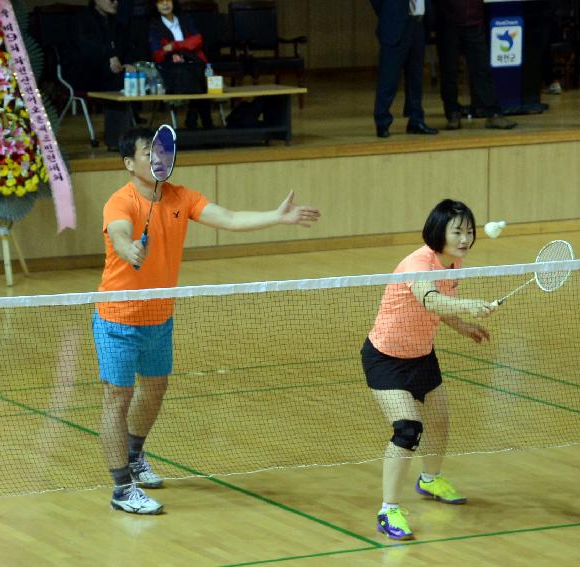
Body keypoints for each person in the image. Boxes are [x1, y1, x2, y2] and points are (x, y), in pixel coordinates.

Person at [94, 127, 321, 514]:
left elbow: (229, 218)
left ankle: (134, 455)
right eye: (147, 151)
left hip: (159, 316)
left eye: (160, 150)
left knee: (155, 390)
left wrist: (276, 217)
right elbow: (119, 233)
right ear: (129, 164)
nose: (156, 156)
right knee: (119, 397)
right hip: (118, 317)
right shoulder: (121, 202)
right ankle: (121, 489)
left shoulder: (183, 197)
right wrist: (128, 247)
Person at [362, 199, 496, 540]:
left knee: (440, 419)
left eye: (469, 231)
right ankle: (389, 509)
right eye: (457, 231)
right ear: (440, 232)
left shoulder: (454, 263)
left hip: (421, 354)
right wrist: (467, 306)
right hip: (386, 358)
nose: (465, 239)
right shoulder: (419, 263)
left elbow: (439, 307)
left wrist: (462, 326)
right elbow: (431, 299)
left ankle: (430, 480)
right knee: (408, 429)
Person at [435, 0, 517, 130]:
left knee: (482, 69)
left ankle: (493, 114)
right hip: (448, 23)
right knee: (449, 71)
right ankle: (452, 114)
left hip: (474, 22)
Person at [70, 0, 137, 149]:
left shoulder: (117, 23)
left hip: (112, 73)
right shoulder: (82, 19)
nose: (115, 2)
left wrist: (128, 63)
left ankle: (130, 134)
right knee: (118, 81)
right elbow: (85, 49)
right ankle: (118, 140)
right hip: (87, 74)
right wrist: (109, 55)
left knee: (133, 76)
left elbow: (127, 48)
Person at [370, 0, 438, 138]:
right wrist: (387, 14)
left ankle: (416, 120)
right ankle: (382, 121)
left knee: (416, 77)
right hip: (394, 23)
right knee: (389, 77)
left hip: (419, 23)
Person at [148, 0, 212, 130]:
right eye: (160, 1)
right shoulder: (154, 26)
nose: (165, 4)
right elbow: (157, 54)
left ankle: (193, 119)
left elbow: (198, 40)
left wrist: (175, 46)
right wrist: (174, 53)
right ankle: (204, 121)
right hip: (171, 69)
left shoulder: (185, 19)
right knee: (197, 81)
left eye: (168, 0)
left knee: (197, 76)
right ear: (155, 5)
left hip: (192, 65)